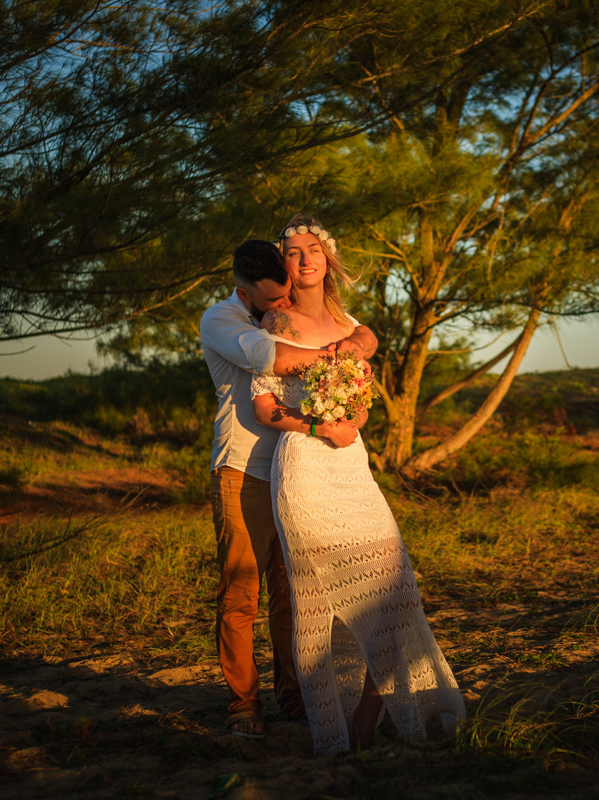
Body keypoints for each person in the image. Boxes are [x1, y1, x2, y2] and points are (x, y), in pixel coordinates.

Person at [249, 214, 465, 756]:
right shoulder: (275, 326)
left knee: (393, 590)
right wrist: (320, 423)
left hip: (353, 469)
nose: (304, 260)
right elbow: (265, 405)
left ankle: (368, 716)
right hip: (303, 468)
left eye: (312, 249)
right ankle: (333, 733)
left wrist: (354, 417)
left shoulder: (352, 325)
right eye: (292, 252)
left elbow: (363, 399)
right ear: (284, 264)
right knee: (316, 605)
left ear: (327, 257)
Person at [199, 239, 379, 738]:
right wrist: (339, 355)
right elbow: (271, 359)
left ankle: (294, 697)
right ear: (244, 290)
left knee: (292, 592)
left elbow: (356, 329)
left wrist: (358, 340)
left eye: (286, 296)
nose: (283, 305)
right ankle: (243, 704)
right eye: (273, 299)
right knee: (241, 592)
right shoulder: (222, 320)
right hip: (244, 470)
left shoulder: (281, 312)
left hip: (296, 472)